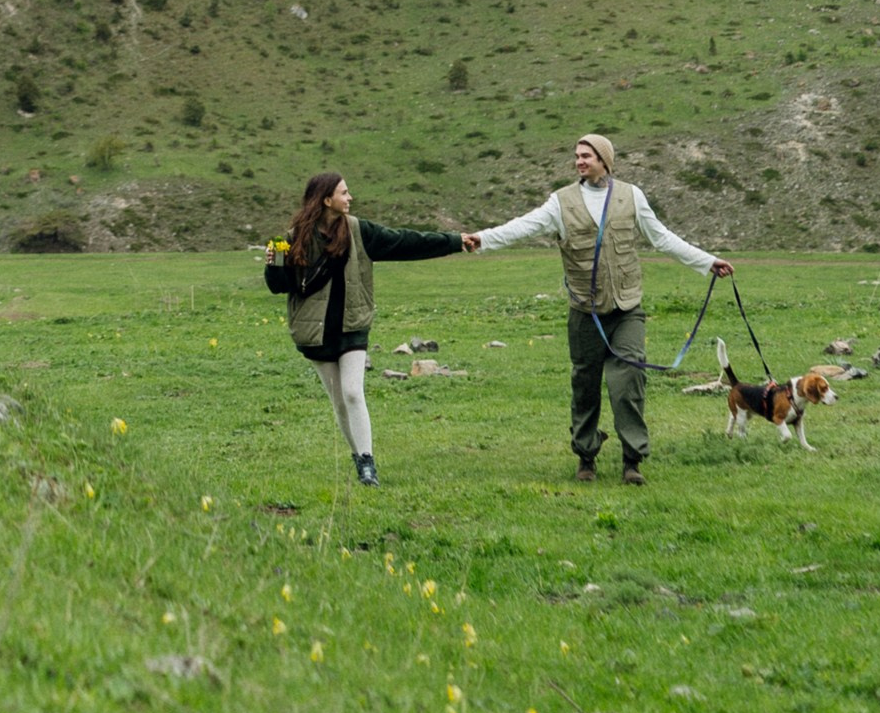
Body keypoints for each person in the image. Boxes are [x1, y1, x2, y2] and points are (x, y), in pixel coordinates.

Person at [472, 132, 733, 486]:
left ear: (604, 161)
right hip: (585, 311)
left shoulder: (631, 196)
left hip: (627, 308)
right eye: (577, 156)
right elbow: (522, 227)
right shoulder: (560, 202)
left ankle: (632, 460)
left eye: (587, 155)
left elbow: (661, 237)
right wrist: (482, 239)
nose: (579, 161)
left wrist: (707, 261)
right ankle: (586, 456)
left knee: (629, 381)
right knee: (585, 385)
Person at [264, 170, 479, 486]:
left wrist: (454, 241)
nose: (350, 197)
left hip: (352, 326)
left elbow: (406, 242)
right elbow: (278, 286)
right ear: (326, 200)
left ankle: (367, 463)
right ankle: (357, 456)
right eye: (344, 192)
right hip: (315, 331)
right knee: (339, 402)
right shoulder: (292, 239)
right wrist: (274, 261)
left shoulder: (358, 231)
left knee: (352, 392)